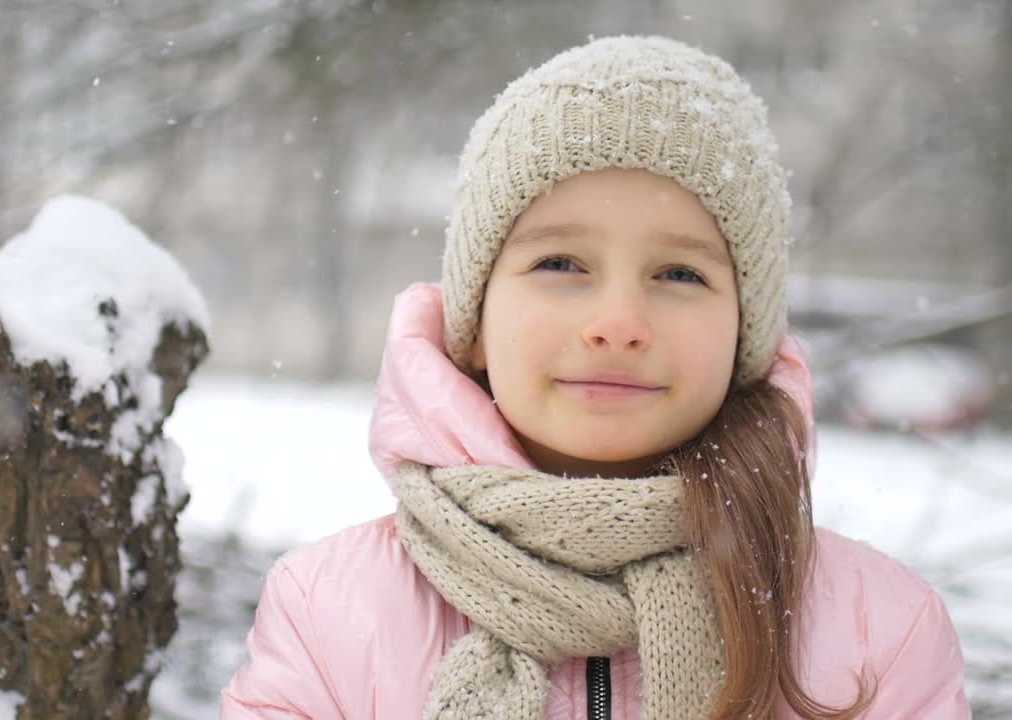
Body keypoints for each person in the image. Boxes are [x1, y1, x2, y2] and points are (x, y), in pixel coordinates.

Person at [220, 35, 969, 719]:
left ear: (745, 330)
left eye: (679, 273)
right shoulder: (329, 611)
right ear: (475, 322)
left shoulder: (878, 629)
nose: (618, 320)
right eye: (560, 264)